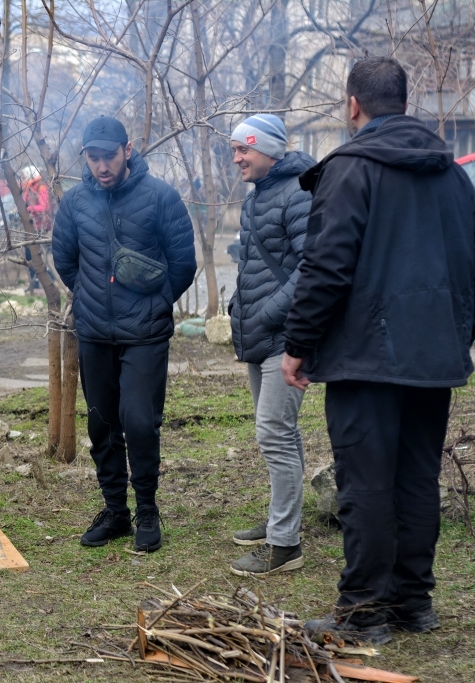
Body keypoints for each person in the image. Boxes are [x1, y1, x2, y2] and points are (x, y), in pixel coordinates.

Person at [282, 57, 475, 644]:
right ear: (406, 100)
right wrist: (455, 336)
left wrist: (298, 344)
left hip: (365, 356)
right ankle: (413, 604)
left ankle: (365, 611)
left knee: (364, 483)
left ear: (352, 105)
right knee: (416, 478)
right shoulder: (453, 176)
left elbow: (326, 267)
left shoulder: (352, 170)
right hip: (432, 355)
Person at [53, 116, 196, 550]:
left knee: (139, 421)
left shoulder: (160, 198)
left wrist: (156, 302)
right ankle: (116, 512)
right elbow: (65, 259)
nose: (101, 166)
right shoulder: (74, 202)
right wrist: (90, 295)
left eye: (108, 156)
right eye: (93, 158)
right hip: (95, 332)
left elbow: (183, 263)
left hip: (145, 334)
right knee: (102, 425)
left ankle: (148, 511)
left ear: (127, 150)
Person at [227, 114, 315, 577]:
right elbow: (254, 265)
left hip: (286, 336)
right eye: (235, 149)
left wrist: (264, 313)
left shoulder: (298, 190)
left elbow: (309, 268)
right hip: (260, 335)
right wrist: (237, 305)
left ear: (269, 149)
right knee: (282, 434)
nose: (237, 158)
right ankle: (284, 520)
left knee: (274, 434)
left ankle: (286, 545)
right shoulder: (259, 196)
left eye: (244, 149)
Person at [19, 165, 53, 292]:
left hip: (41, 228)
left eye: (24, 176)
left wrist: (27, 209)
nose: (22, 179)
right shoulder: (29, 187)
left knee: (41, 258)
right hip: (31, 227)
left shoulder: (41, 187)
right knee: (29, 256)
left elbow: (44, 208)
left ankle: (45, 284)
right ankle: (34, 284)